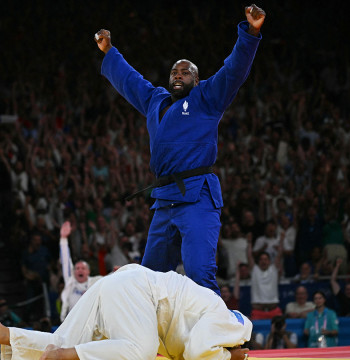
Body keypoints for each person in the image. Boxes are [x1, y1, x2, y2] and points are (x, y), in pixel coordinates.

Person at [94, 4, 266, 295]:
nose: (178, 74)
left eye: (186, 72)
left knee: (200, 274)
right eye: (174, 71)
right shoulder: (155, 101)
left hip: (196, 194)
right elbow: (130, 80)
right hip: (164, 200)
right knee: (148, 281)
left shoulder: (207, 98)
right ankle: (150, 338)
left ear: (196, 80)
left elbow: (234, 69)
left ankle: (217, 337)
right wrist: (109, 51)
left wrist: (251, 32)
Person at [0, 264, 251, 360]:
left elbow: (194, 348)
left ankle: (2, 333)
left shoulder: (211, 316)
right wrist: (228, 356)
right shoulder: (227, 319)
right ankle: (68, 356)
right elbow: (200, 350)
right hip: (137, 291)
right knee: (141, 350)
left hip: (125, 288)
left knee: (62, 342)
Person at [59, 221, 102, 322]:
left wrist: (117, 272)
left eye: (83, 268)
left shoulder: (95, 282)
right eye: (77, 268)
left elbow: (109, 280)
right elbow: (65, 261)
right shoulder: (71, 281)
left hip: (90, 324)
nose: (79, 270)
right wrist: (63, 239)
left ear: (88, 272)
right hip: (71, 323)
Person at [246, 233, 283, 320]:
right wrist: (249, 242)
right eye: (261, 259)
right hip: (258, 311)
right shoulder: (254, 270)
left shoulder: (273, 269)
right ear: (258, 261)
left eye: (266, 259)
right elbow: (249, 256)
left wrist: (281, 241)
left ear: (270, 261)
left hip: (274, 310)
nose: (263, 261)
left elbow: (280, 254)